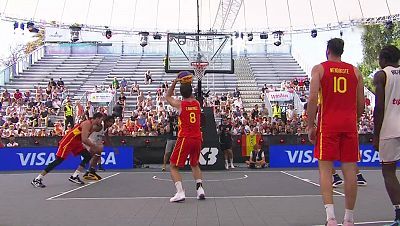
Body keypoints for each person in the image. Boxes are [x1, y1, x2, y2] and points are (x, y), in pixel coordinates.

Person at [307, 38, 364, 226]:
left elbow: (313, 97)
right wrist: (353, 120)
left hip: (328, 124)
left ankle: (331, 218)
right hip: (348, 124)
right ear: (342, 51)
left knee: (325, 170)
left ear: (327, 50)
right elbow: (361, 105)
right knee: (350, 171)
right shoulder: (355, 71)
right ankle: (349, 218)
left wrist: (310, 125)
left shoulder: (319, 69)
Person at [31, 112, 105, 188]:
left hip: (76, 143)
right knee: (58, 160)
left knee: (87, 156)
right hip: (68, 142)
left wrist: (91, 146)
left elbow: (83, 138)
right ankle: (37, 179)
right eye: (101, 119)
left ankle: (75, 176)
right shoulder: (87, 123)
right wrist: (95, 146)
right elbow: (84, 139)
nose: (101, 122)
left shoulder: (92, 127)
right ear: (97, 118)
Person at [165, 72, 205, 202]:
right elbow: (190, 93)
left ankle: (180, 192)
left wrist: (176, 82)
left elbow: (167, 96)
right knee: (195, 164)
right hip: (197, 138)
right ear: (191, 92)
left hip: (185, 138)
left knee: (173, 166)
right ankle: (200, 190)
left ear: (181, 94)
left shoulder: (180, 105)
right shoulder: (197, 104)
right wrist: (187, 83)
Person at [373, 45, 400, 226]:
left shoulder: (381, 75)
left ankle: (399, 215)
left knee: (389, 172)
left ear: (383, 59)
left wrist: (376, 135)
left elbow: (379, 108)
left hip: (389, 129)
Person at [83, 115, 115, 180]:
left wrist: (110, 145)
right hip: (90, 142)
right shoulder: (100, 126)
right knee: (95, 155)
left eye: (113, 122)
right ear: (106, 121)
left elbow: (106, 136)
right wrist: (85, 137)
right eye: (110, 122)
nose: (111, 124)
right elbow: (91, 129)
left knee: (98, 154)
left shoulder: (106, 128)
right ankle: (89, 171)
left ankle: (90, 171)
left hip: (96, 143)